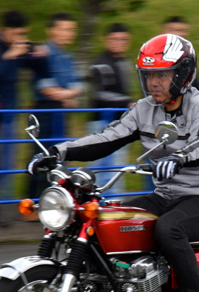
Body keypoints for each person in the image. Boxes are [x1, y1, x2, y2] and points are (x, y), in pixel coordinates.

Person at [28, 34, 199, 292]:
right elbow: (109, 136)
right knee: (108, 222)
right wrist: (59, 151)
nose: (155, 83)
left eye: (162, 74)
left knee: (169, 229)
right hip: (164, 196)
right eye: (149, 75)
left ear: (183, 73)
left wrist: (179, 157)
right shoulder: (143, 109)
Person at [0, 9, 54, 223]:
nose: (19, 39)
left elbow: (43, 71)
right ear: (5, 31)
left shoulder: (16, 49)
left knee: (5, 163)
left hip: (10, 113)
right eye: (16, 34)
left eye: (23, 34)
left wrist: (39, 53)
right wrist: (9, 57)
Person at [28, 12, 83, 198]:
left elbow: (79, 85)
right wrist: (67, 96)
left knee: (59, 156)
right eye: (64, 29)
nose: (69, 33)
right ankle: (34, 200)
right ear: (51, 30)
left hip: (60, 113)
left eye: (71, 30)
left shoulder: (68, 57)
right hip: (44, 112)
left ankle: (54, 197)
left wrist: (64, 95)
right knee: (40, 155)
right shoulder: (42, 53)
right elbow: (45, 87)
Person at [88, 22, 133, 193]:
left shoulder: (125, 62)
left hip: (120, 122)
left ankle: (112, 208)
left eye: (123, 39)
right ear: (106, 40)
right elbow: (98, 94)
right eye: (115, 39)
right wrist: (127, 102)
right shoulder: (100, 63)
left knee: (116, 169)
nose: (119, 42)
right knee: (102, 169)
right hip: (101, 122)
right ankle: (99, 210)